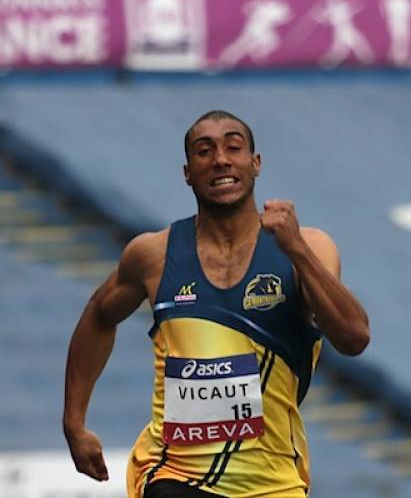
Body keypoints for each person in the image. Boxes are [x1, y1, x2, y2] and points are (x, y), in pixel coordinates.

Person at [63, 111, 370, 497]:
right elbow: (98, 315)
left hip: (271, 482)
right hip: (173, 472)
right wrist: (74, 423)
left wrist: (296, 250)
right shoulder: (154, 255)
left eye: (233, 147)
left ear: (255, 164)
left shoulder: (308, 246)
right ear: (188, 172)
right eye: (204, 151)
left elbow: (354, 338)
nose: (220, 159)